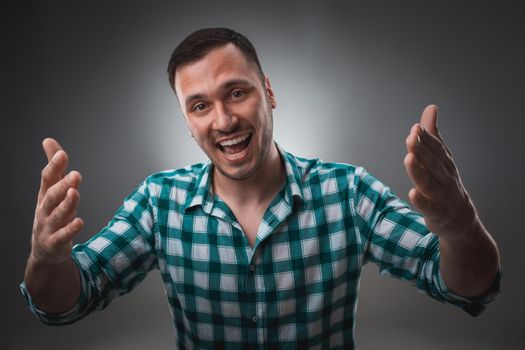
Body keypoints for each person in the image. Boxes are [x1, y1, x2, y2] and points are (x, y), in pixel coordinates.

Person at [21, 28, 501, 348]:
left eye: (236, 92)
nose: (225, 120)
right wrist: (46, 258)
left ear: (268, 93)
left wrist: (460, 229)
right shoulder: (158, 201)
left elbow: (469, 289)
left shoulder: (348, 192)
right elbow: (69, 300)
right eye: (200, 105)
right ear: (187, 121)